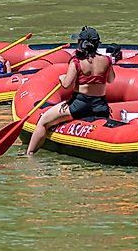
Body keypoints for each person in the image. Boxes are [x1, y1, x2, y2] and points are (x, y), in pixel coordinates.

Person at [26, 26, 115, 155]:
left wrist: (61, 78)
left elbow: (67, 84)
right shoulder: (106, 60)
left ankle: (29, 154)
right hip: (101, 106)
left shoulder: (76, 61)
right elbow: (111, 80)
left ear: (82, 44)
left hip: (80, 105)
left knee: (43, 121)